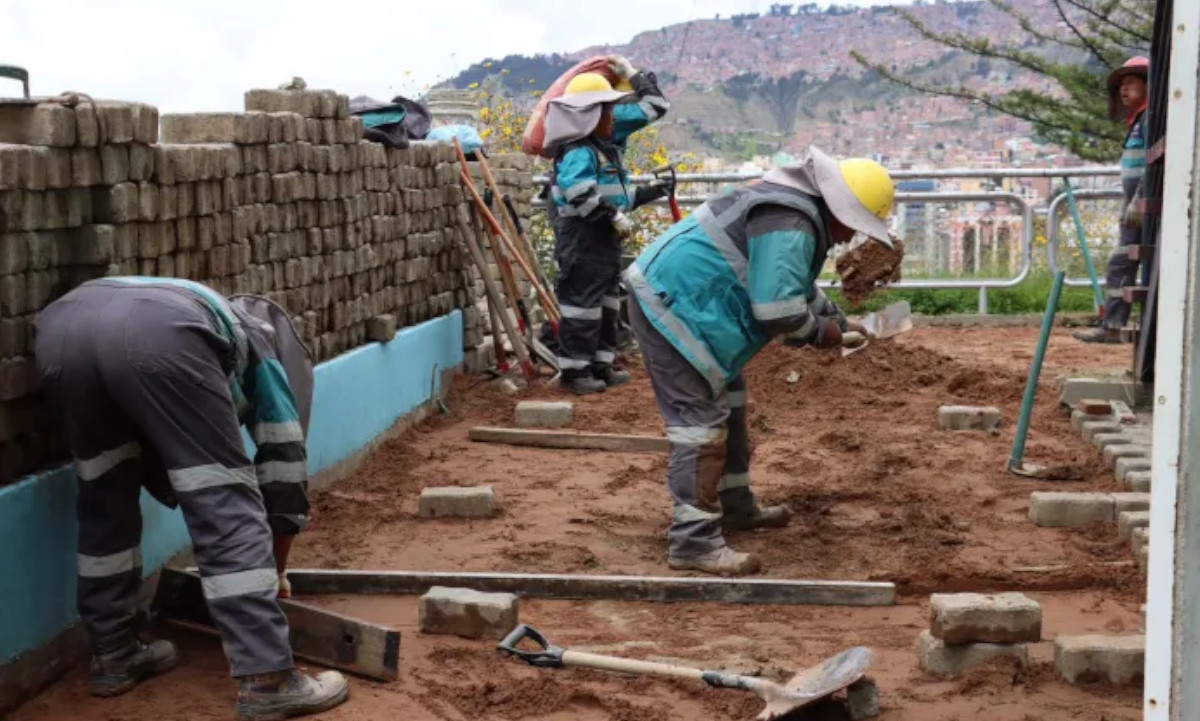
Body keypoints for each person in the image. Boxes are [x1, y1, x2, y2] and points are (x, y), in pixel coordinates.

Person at [33, 277, 349, 720]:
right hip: (160, 339)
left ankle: (114, 653)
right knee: (224, 498)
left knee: (105, 498)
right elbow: (283, 471)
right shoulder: (261, 346)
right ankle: (269, 680)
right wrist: (274, 574)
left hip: (62, 331)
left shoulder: (197, 304)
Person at [624, 147, 895, 575]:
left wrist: (840, 320)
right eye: (854, 225)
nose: (848, 238)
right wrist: (824, 335)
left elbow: (794, 284)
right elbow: (779, 312)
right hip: (674, 308)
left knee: (729, 406)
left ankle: (735, 508)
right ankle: (693, 543)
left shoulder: (794, 207)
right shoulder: (790, 218)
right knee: (700, 425)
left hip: (693, 305)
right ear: (840, 207)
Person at [544, 55, 670, 394]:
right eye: (607, 109)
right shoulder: (578, 151)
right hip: (583, 239)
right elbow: (578, 192)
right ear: (590, 113)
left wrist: (648, 194)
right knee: (581, 305)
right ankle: (576, 372)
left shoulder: (603, 150)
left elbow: (615, 197)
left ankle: (601, 364)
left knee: (607, 302)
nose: (613, 115)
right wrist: (612, 217)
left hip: (602, 240)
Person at [1075, 55, 1150, 344]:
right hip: (1135, 206)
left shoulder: (1153, 118)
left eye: (1130, 82)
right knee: (1122, 261)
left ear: (1148, 86)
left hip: (1143, 206)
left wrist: (1140, 198)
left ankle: (1121, 324)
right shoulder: (1139, 121)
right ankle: (1113, 323)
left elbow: (1155, 163)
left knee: (1137, 263)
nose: (1124, 90)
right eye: (1121, 85)